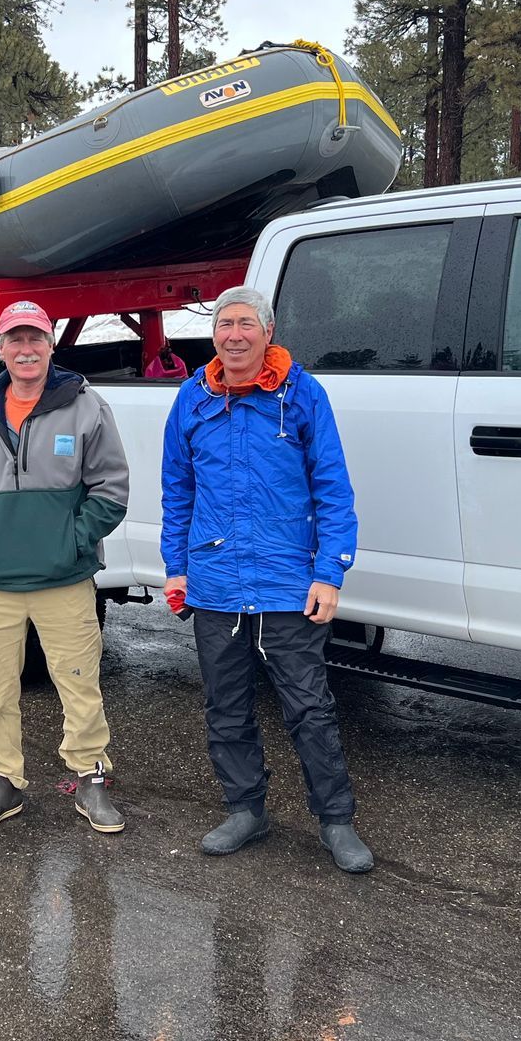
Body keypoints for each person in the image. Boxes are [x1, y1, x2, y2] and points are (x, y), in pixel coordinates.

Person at [159, 285, 374, 874]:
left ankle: (336, 821)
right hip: (215, 580)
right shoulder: (192, 399)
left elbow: (333, 488)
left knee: (309, 706)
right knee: (225, 706)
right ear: (213, 334)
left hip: (287, 579)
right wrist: (176, 568)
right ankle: (245, 809)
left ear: (268, 332)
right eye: (224, 324)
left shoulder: (302, 395)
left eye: (245, 324)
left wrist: (330, 572)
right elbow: (177, 491)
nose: (234, 334)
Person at [0, 299, 131, 835]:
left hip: (64, 580)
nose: (26, 350)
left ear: (51, 345)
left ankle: (90, 778)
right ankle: (2, 782)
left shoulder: (86, 406)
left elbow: (112, 488)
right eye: (14, 340)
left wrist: (70, 540)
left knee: (78, 682)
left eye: (36, 339)